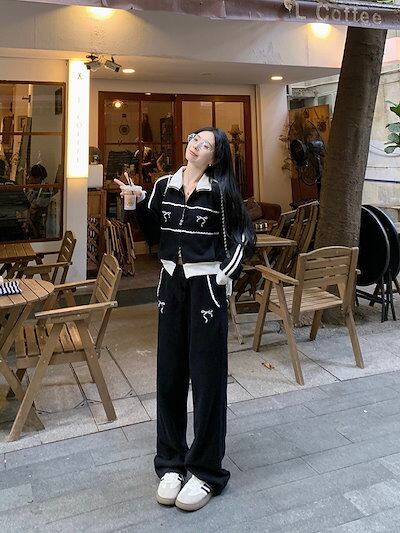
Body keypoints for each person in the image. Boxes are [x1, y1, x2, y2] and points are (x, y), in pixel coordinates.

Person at [118, 127, 254, 512]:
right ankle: (170, 463)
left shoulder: (221, 192)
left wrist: (224, 275)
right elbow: (153, 234)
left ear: (215, 157)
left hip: (206, 288)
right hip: (170, 287)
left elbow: (244, 236)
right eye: (195, 138)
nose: (196, 144)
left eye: (205, 144)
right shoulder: (164, 185)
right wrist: (134, 203)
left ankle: (206, 471)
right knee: (170, 376)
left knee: (208, 379)